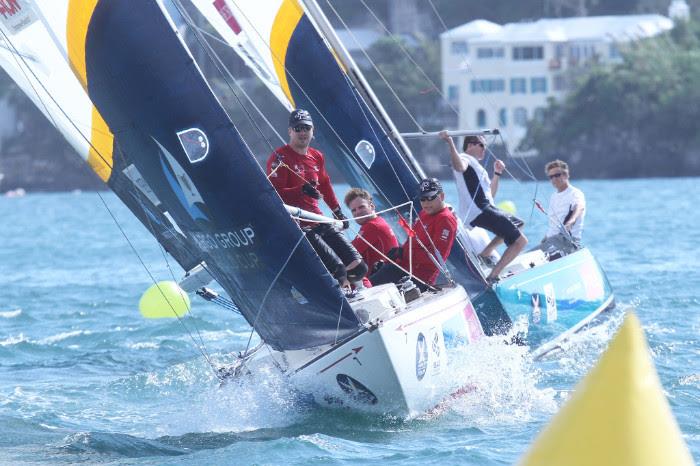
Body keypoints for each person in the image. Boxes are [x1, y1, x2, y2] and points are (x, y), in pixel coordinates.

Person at [267, 109, 366, 286]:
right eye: (298, 128)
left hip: (318, 218)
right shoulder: (279, 157)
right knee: (338, 270)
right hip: (298, 224)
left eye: (306, 128)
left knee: (358, 267)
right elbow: (273, 194)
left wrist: (337, 212)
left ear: (313, 131)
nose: (302, 132)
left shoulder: (317, 156)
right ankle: (340, 291)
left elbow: (326, 185)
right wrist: (301, 190)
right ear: (290, 131)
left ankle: (349, 289)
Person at [439, 131, 527, 283]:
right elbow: (459, 166)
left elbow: (490, 195)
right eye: (482, 145)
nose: (485, 149)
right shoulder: (465, 158)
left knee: (519, 224)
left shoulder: (479, 168)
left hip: (486, 207)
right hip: (479, 210)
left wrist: (497, 174)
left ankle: (485, 254)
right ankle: (493, 276)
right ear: (471, 145)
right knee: (521, 242)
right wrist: (450, 143)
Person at [368, 178, 457, 290]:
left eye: (431, 197)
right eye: (423, 199)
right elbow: (412, 240)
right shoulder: (424, 213)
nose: (426, 203)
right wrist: (397, 253)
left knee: (374, 283)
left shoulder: (445, 219)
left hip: (418, 278)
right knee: (372, 276)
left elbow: (437, 257)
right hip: (403, 268)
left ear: (442, 196)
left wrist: (403, 254)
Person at [536, 159, 586, 253]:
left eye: (557, 175)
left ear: (566, 175)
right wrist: (545, 238)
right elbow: (554, 223)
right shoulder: (553, 196)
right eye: (551, 177)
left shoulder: (575, 193)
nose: (554, 179)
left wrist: (571, 222)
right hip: (552, 241)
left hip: (568, 241)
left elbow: (579, 207)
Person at [344, 188, 398, 273]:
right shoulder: (378, 221)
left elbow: (348, 253)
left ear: (372, 206)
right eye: (354, 210)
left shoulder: (372, 226)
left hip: (383, 279)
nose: (357, 212)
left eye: (361, 207)